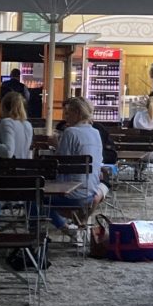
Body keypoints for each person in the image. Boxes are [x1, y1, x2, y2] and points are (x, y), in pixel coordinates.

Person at [49, 96, 107, 232]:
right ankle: (72, 224)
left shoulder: (70, 132)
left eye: (68, 113)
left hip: (72, 194)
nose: (65, 117)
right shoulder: (95, 132)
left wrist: (56, 145)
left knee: (33, 200)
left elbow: (60, 163)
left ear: (78, 113)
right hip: (90, 191)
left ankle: (63, 228)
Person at [0, 90, 34, 160]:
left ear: (3, 106)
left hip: (6, 169)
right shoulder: (28, 125)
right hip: (22, 169)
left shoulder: (7, 122)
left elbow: (8, 151)